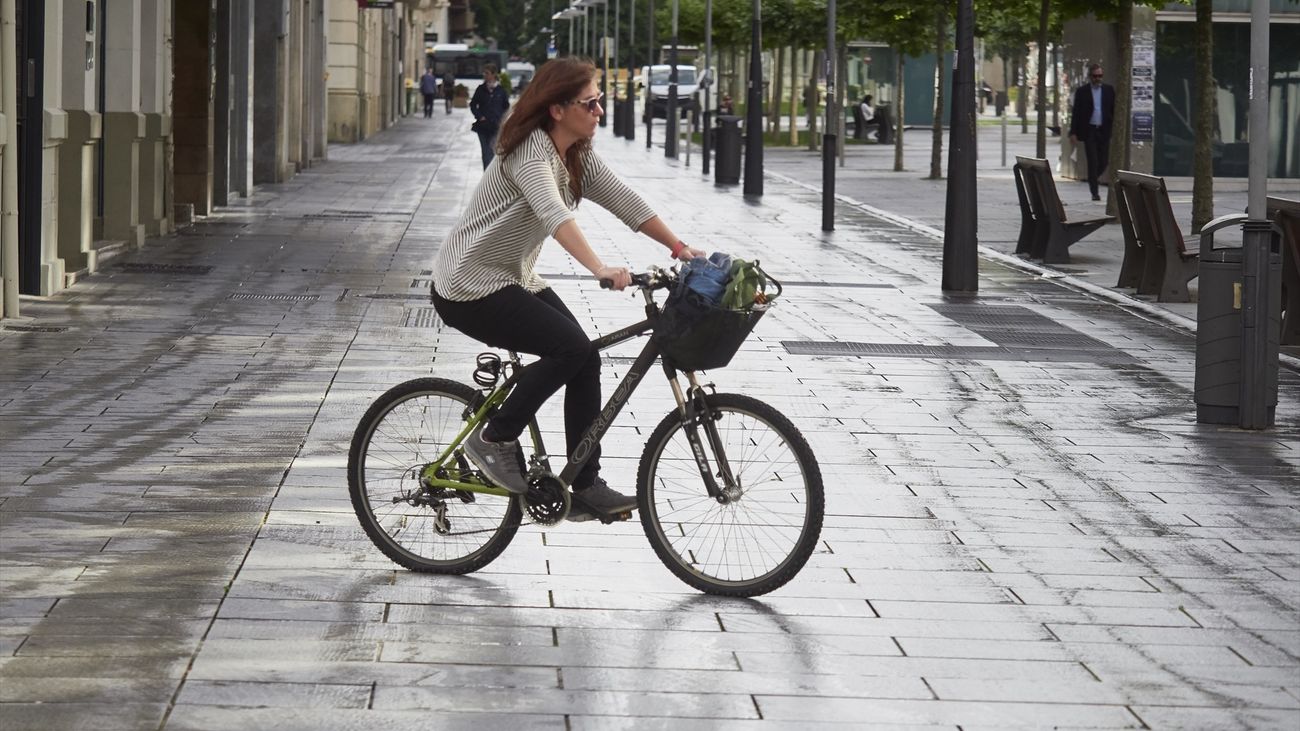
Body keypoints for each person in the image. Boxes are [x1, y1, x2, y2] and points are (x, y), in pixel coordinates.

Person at [429, 58, 704, 520]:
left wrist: (679, 247)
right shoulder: (529, 154)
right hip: (468, 282)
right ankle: (494, 437)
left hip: (512, 277)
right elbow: (556, 216)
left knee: (584, 356)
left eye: (600, 101)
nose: (600, 110)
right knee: (570, 349)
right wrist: (599, 266)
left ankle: (582, 485)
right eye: (591, 102)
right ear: (557, 109)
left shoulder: (576, 154)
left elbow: (625, 200)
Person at [1069, 63, 1116, 201]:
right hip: (1089, 130)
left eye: (1100, 76)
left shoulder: (1109, 90)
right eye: (1095, 76)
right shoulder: (1082, 91)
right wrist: (1073, 132)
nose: (1098, 78)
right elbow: (1076, 113)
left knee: (1104, 161)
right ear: (1090, 77)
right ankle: (1094, 191)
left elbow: (1113, 110)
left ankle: (1092, 178)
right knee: (1093, 161)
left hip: (1104, 129)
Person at [470, 64, 512, 169]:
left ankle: (492, 178)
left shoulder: (501, 90)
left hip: (496, 127)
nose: (485, 75)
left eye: (487, 73)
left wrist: (502, 119)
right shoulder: (480, 89)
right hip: (483, 127)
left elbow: (506, 107)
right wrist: (480, 116)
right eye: (484, 73)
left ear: (494, 75)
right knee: (486, 153)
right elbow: (473, 105)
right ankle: (486, 177)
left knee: (494, 153)